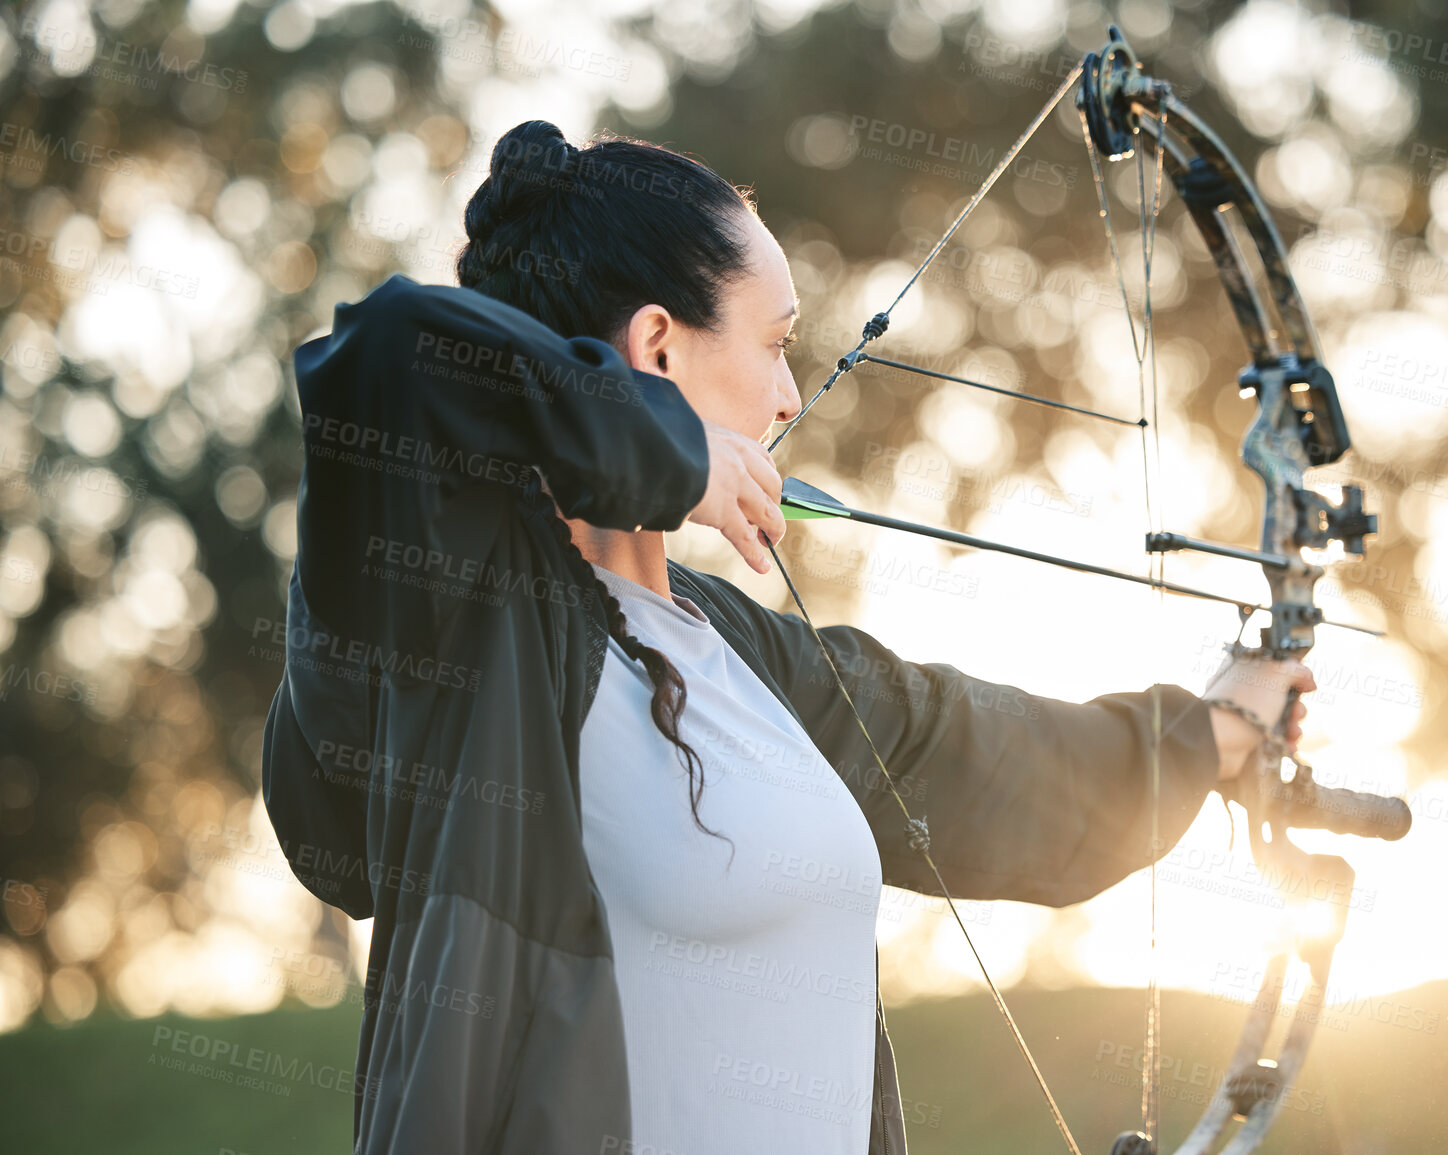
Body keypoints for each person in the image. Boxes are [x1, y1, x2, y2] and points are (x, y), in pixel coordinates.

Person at [261, 121, 1315, 1155]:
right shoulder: (451, 613)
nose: (785, 394)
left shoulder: (743, 658)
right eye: (774, 344)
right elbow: (389, 354)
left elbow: (989, 758)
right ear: (657, 346)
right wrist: (666, 448)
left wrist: (1217, 730)